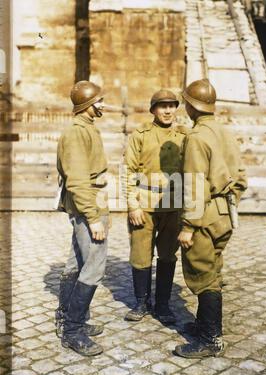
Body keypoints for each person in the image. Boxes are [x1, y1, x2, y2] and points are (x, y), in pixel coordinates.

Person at [175, 79, 247, 359]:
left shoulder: (196, 137)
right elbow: (241, 176)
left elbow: (194, 185)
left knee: (202, 275)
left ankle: (210, 340)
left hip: (203, 217)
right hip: (224, 214)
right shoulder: (224, 132)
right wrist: (230, 202)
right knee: (214, 271)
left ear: (191, 106)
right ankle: (206, 325)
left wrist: (188, 226)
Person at [55, 80, 110, 356]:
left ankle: (67, 317)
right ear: (87, 105)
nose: (102, 105)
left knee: (76, 260)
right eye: (98, 101)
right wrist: (93, 218)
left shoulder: (87, 127)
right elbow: (77, 181)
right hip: (89, 204)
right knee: (94, 265)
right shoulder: (77, 132)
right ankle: (73, 330)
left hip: (91, 201)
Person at [123, 89, 187, 324]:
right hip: (145, 205)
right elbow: (128, 170)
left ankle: (162, 305)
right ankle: (141, 302)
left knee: (168, 255)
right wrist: (132, 205)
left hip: (174, 206)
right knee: (140, 255)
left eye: (172, 105)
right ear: (153, 110)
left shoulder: (184, 135)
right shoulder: (140, 135)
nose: (168, 110)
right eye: (162, 106)